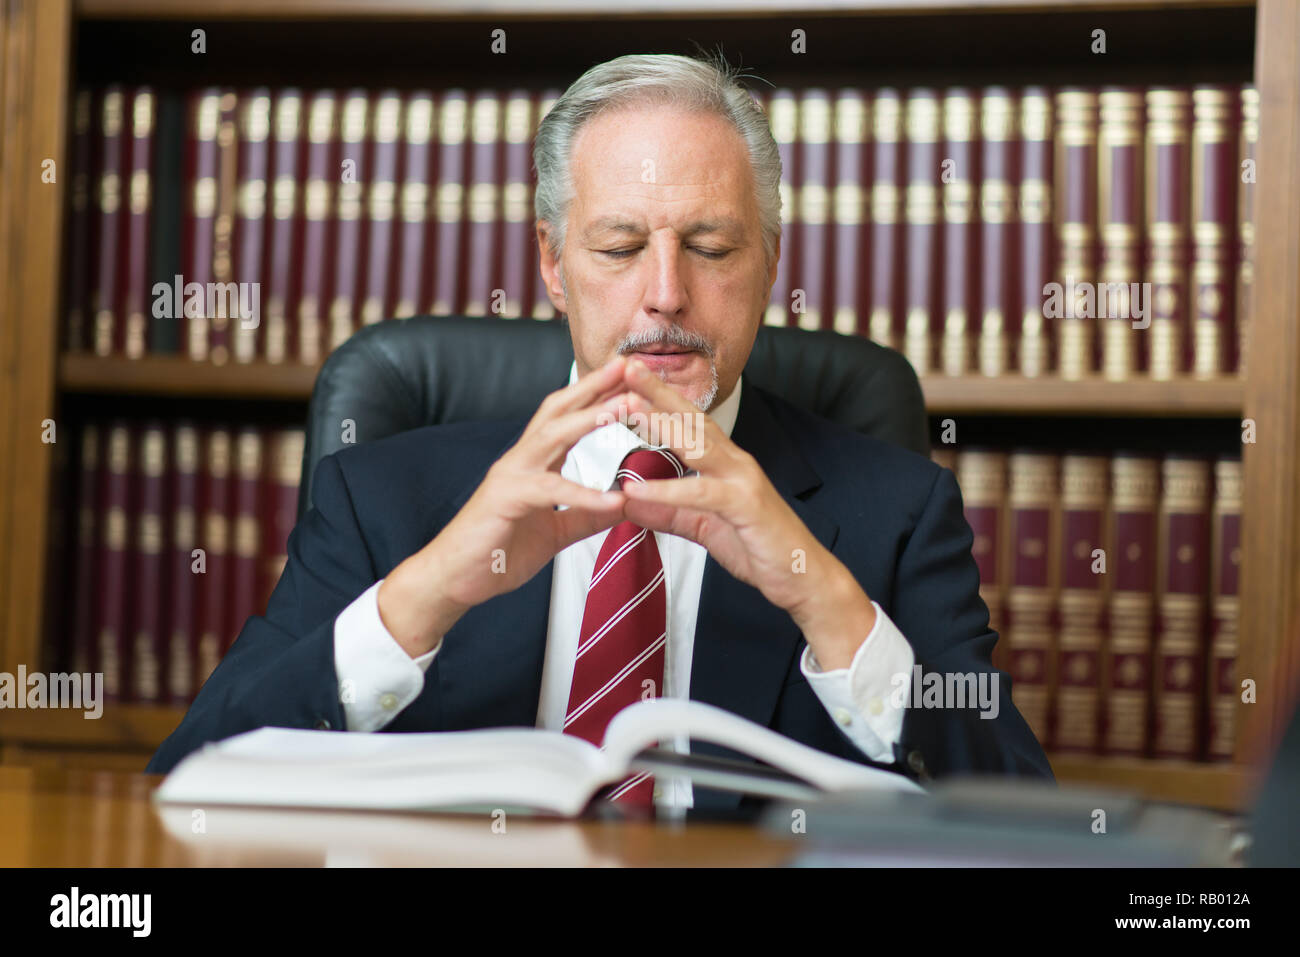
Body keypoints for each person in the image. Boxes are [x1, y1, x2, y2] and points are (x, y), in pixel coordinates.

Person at [147, 53, 1053, 810]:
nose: (665, 292)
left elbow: (1015, 815)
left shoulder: (897, 509)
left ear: (771, 263)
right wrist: (427, 590)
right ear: (552, 263)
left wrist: (823, 594)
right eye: (620, 248)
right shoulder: (385, 495)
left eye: (711, 246)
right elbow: (189, 780)